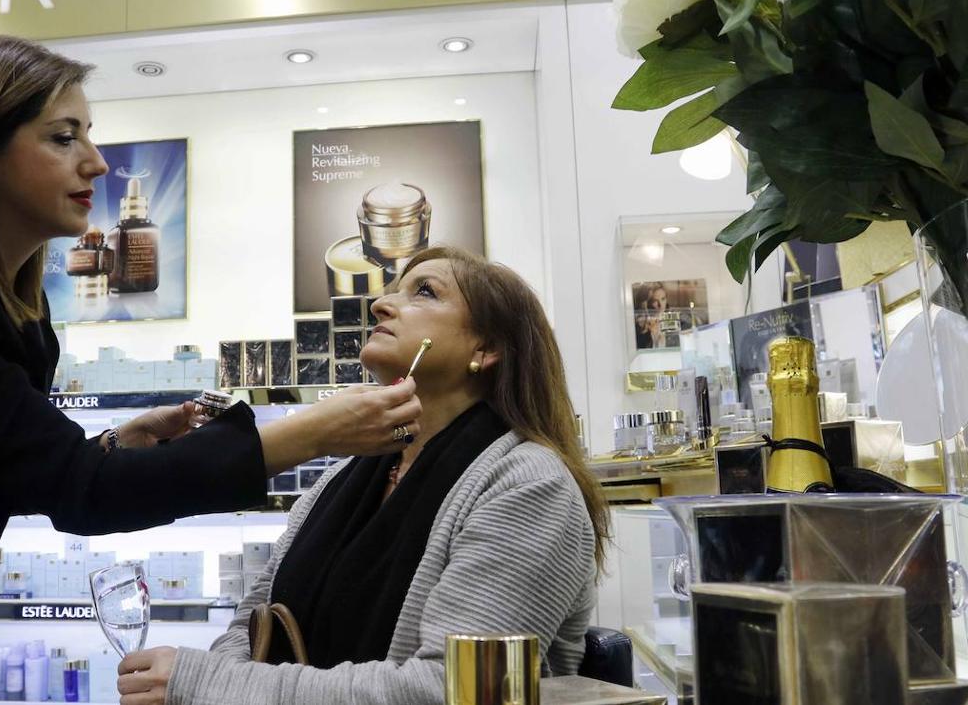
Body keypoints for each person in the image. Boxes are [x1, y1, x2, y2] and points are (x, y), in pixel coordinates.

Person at [0, 35, 421, 704]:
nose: (97, 162)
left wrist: (116, 446)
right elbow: (80, 493)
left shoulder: (12, 311)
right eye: (64, 137)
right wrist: (308, 434)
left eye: (89, 133)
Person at [117, 246, 612, 705]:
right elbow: (251, 623)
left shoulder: (529, 487)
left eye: (424, 291)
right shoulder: (344, 479)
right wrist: (215, 683)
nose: (380, 304)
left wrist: (205, 683)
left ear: (485, 349)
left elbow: (461, 692)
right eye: (392, 290)